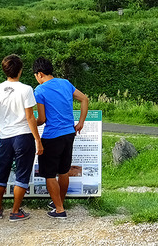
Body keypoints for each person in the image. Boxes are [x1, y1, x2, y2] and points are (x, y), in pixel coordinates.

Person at [0, 54, 43, 221]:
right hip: (23, 136)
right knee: (22, 174)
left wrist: (2, 129)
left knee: (1, 172)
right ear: (20, 71)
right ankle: (15, 211)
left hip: (6, 137)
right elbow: (30, 117)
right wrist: (38, 140)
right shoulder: (26, 89)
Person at [32, 57, 89, 219]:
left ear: (40, 74)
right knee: (63, 171)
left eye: (36, 75)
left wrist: (31, 123)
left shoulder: (40, 90)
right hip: (69, 133)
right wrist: (81, 122)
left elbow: (42, 119)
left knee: (50, 174)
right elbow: (84, 99)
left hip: (52, 136)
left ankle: (59, 210)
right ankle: (60, 202)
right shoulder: (65, 83)